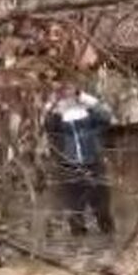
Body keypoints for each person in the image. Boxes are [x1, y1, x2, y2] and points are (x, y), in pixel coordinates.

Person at [43, 82, 115, 238]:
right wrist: (54, 103)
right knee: (75, 209)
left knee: (102, 206)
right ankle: (80, 245)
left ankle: (110, 239)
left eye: (69, 89)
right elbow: (47, 124)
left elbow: (106, 116)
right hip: (69, 166)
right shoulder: (58, 116)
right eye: (64, 90)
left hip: (94, 162)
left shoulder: (88, 111)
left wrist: (82, 96)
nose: (66, 92)